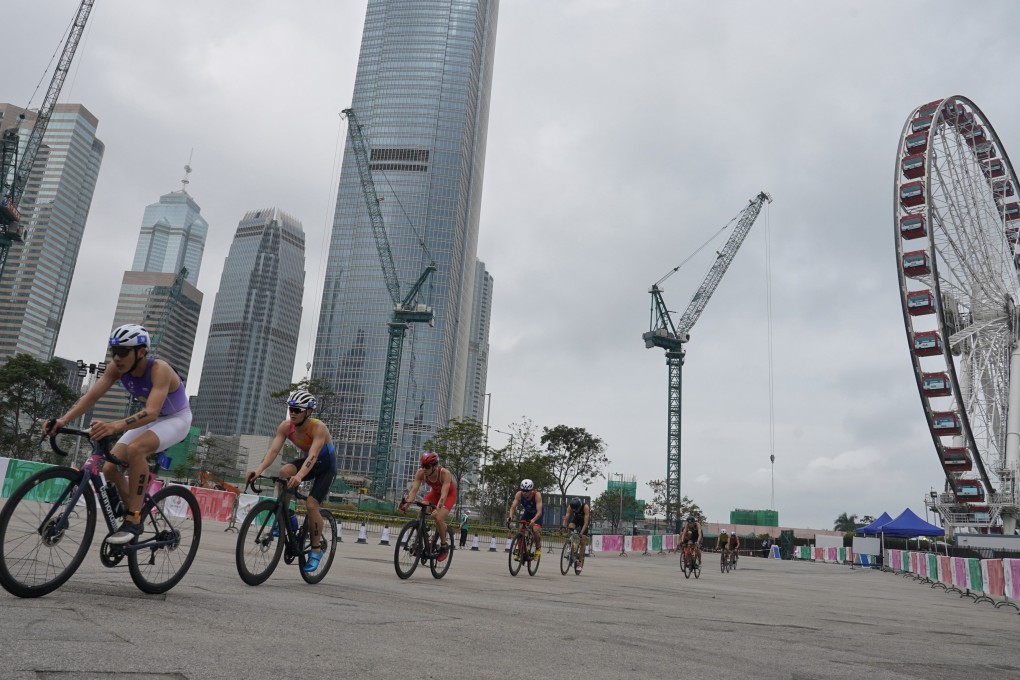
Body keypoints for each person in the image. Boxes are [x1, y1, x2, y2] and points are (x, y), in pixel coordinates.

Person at [43, 324, 193, 545]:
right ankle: (136, 506)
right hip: (151, 418)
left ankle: (133, 519)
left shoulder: (159, 369)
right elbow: (91, 397)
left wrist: (114, 426)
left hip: (176, 419)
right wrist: (63, 420)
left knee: (136, 449)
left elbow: (151, 413)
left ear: (141, 352)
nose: (117, 357)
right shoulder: (116, 368)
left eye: (123, 352)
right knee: (110, 468)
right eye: (113, 352)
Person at [246, 389, 337, 572]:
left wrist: (300, 476)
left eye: (297, 409)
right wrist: (258, 470)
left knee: (311, 505)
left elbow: (312, 455)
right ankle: (288, 517)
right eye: (291, 408)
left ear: (308, 412)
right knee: (283, 472)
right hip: (308, 463)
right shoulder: (286, 427)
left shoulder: (318, 427)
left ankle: (316, 550)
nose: (293, 412)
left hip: (325, 467)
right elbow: (273, 452)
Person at [400, 452, 456, 561]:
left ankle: (444, 546)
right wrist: (407, 503)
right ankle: (419, 540)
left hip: (448, 496)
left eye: (427, 466)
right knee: (421, 511)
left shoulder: (444, 474)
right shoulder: (421, 473)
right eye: (422, 465)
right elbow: (414, 490)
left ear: (435, 466)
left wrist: (438, 509)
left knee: (438, 517)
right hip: (435, 494)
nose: (423, 469)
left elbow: (444, 495)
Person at [507, 479, 544, 561]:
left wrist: (534, 520)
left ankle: (538, 548)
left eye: (527, 491)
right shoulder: (519, 494)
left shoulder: (537, 495)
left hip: (537, 514)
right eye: (523, 490)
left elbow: (539, 512)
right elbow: (513, 507)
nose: (525, 492)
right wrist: (510, 517)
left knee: (535, 530)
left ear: (531, 490)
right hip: (527, 513)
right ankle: (520, 551)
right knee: (521, 530)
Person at [561, 496, 590, 570]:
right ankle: (570, 543)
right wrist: (563, 526)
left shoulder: (585, 507)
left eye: (577, 509)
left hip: (584, 522)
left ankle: (580, 562)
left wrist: (582, 532)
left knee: (582, 541)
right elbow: (567, 517)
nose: (575, 511)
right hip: (576, 519)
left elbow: (586, 522)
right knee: (570, 526)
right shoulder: (570, 506)